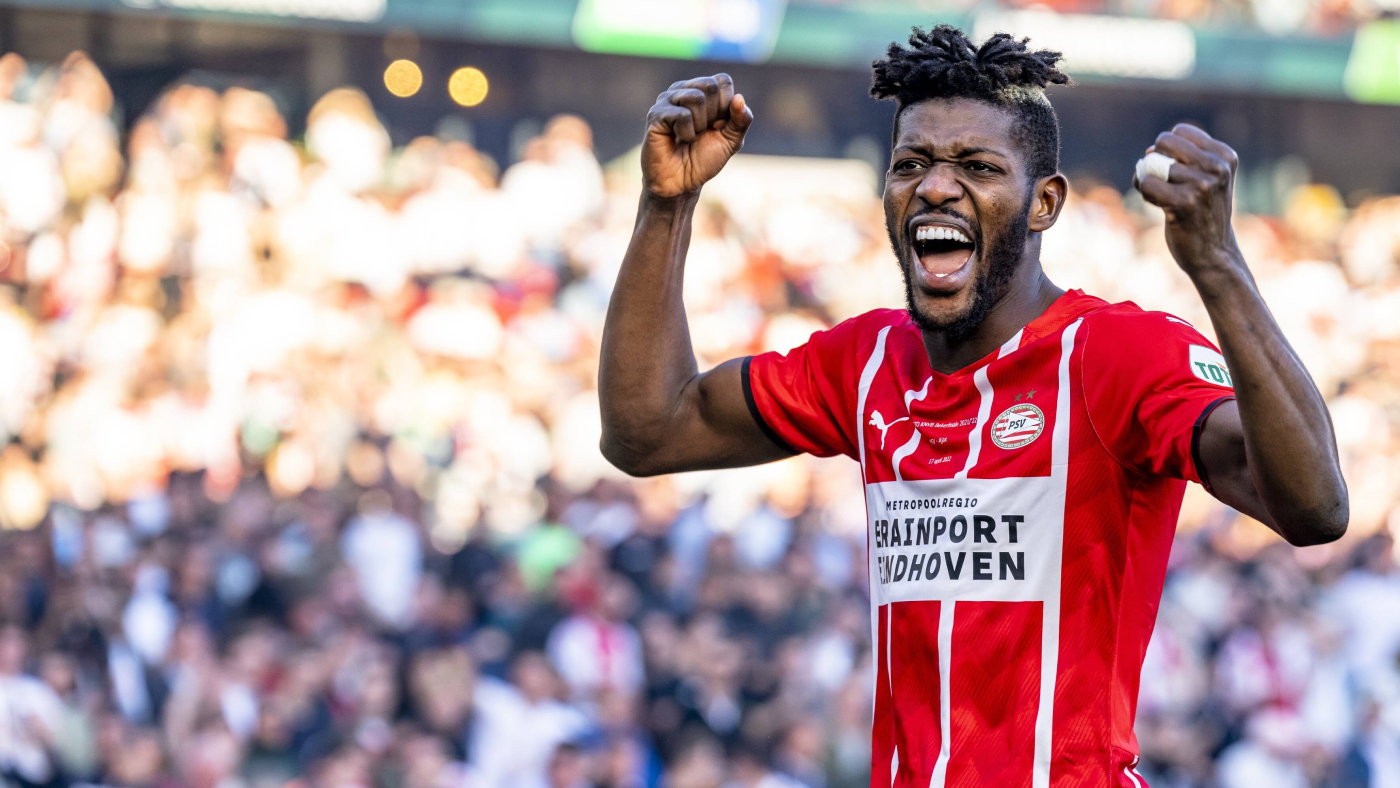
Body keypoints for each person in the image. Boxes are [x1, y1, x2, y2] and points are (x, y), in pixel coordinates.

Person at [597, 24, 1349, 788]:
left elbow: (1314, 507)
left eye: (978, 166)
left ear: (1044, 203)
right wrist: (667, 204)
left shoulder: (1116, 353)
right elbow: (648, 433)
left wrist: (1218, 266)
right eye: (911, 163)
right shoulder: (865, 360)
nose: (934, 186)